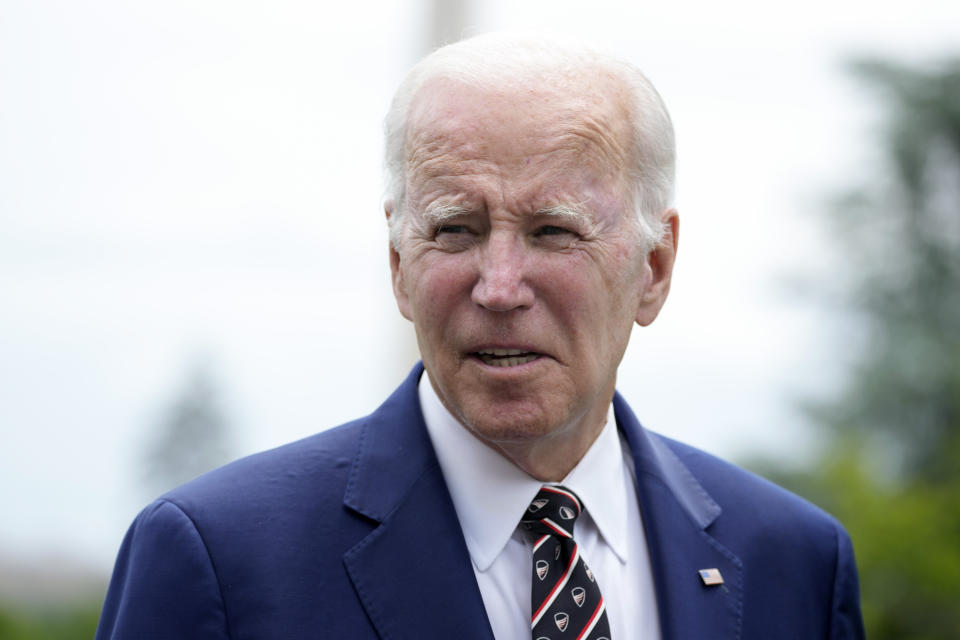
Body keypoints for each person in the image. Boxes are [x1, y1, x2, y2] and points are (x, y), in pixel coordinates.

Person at [95, 33, 866, 639]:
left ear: (654, 268)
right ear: (399, 265)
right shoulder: (221, 562)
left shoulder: (793, 564)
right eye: (456, 230)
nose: (498, 287)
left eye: (554, 231)